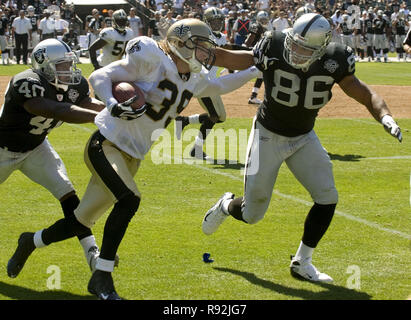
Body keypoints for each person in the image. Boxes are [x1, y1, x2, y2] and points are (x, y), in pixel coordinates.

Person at [8, 18, 260, 300]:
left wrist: (254, 69)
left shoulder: (194, 77)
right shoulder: (152, 57)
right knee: (129, 199)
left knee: (81, 222)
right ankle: (102, 276)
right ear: (180, 44)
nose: (206, 53)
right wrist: (112, 104)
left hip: (133, 155)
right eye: (200, 47)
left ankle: (30, 241)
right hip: (107, 144)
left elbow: (221, 86)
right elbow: (99, 77)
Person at [203, 13, 402, 283]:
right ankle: (226, 205)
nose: (296, 52)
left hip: (303, 136)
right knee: (252, 214)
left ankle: (302, 261)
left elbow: (364, 93)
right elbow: (236, 59)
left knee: (327, 196)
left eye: (305, 49)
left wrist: (385, 116)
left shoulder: (337, 57)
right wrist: (207, 52)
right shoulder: (274, 43)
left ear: (322, 48)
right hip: (268, 134)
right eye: (295, 44)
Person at [4, 39, 106, 279]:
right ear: (43, 66)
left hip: (36, 147)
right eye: (61, 65)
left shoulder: (73, 84)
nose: (68, 70)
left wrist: (111, 109)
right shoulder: (26, 82)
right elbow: (55, 110)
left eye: (69, 64)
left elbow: (85, 103)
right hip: (2, 149)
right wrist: (98, 118)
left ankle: (92, 252)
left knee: (67, 192)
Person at [246, 10, 270, 105]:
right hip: (253, 52)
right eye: (262, 20)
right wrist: (246, 48)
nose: (264, 21)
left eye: (265, 20)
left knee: (261, 75)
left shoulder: (263, 28)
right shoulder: (256, 26)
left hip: (257, 53)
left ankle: (253, 96)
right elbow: (250, 39)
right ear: (258, 19)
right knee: (261, 74)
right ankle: (254, 96)